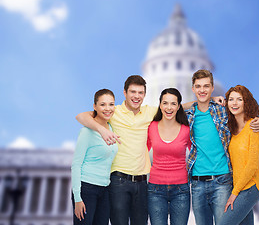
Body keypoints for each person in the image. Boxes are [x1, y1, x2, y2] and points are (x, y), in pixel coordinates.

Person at [75, 75, 223, 225]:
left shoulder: (150, 113)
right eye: (133, 92)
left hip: (143, 182)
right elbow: (81, 116)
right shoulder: (114, 112)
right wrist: (102, 130)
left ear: (145, 95)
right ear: (124, 93)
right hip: (118, 180)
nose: (136, 96)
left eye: (140, 93)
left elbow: (177, 106)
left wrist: (209, 99)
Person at [186, 70, 259, 225]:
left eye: (206, 86)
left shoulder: (227, 114)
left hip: (229, 183)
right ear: (193, 89)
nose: (202, 90)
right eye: (198, 86)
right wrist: (208, 99)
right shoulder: (191, 115)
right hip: (199, 183)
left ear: (213, 87)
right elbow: (169, 107)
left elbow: (252, 164)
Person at [218, 85, 259, 225]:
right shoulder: (231, 129)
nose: (234, 103)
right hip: (238, 186)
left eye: (239, 99)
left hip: (250, 187)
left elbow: (252, 165)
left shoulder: (253, 127)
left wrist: (234, 193)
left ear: (246, 102)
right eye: (231, 99)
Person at [71, 89, 118, 225]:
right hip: (86, 189)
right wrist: (77, 198)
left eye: (111, 104)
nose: (107, 109)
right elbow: (76, 164)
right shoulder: (86, 132)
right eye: (103, 105)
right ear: (94, 107)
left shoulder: (111, 127)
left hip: (105, 190)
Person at [147, 88, 191, 225]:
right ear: (160, 105)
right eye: (165, 103)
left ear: (179, 106)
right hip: (155, 189)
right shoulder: (151, 127)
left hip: (181, 190)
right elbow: (141, 151)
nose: (169, 107)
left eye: (173, 104)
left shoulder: (186, 129)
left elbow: (198, 154)